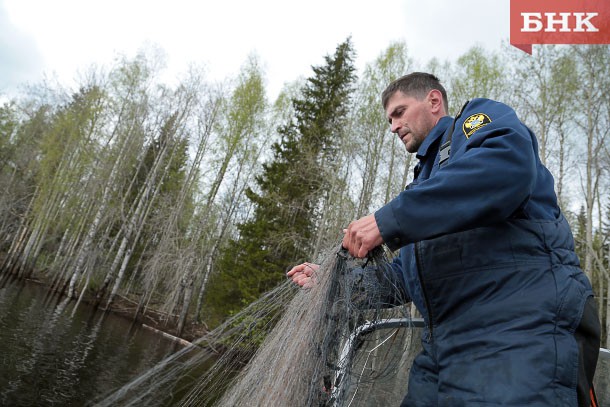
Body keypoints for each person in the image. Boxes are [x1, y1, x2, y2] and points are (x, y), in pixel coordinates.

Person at [287, 72, 600, 406]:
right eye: (390, 119)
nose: (393, 126)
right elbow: (405, 277)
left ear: (433, 101)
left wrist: (387, 220)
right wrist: (337, 280)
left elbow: (504, 171)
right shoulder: (424, 187)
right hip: (444, 353)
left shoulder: (476, 123)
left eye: (399, 112)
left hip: (520, 335)